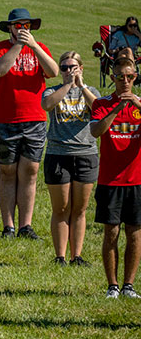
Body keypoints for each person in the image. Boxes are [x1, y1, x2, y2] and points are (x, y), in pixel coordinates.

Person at [0, 8, 58, 239]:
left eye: (26, 26)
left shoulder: (40, 48)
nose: (23, 29)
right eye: (18, 25)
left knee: (30, 172)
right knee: (7, 171)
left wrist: (35, 47)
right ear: (9, 27)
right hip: (5, 119)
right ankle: (8, 226)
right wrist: (18, 46)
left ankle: (25, 226)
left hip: (35, 118)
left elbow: (53, 71)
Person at [41, 52, 100, 266]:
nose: (68, 71)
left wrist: (81, 86)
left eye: (73, 67)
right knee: (61, 208)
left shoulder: (90, 91)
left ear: (81, 68)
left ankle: (77, 255)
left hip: (86, 154)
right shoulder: (53, 90)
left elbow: (98, 109)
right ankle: (60, 256)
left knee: (80, 209)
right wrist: (67, 85)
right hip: (58, 154)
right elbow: (47, 105)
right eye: (64, 68)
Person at [89, 57, 141, 299]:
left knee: (134, 233)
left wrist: (136, 104)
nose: (125, 81)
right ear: (113, 79)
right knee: (111, 233)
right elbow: (96, 131)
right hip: (110, 181)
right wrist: (118, 108)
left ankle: (129, 285)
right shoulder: (102, 103)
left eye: (130, 77)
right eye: (120, 77)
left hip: (136, 180)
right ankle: (112, 285)